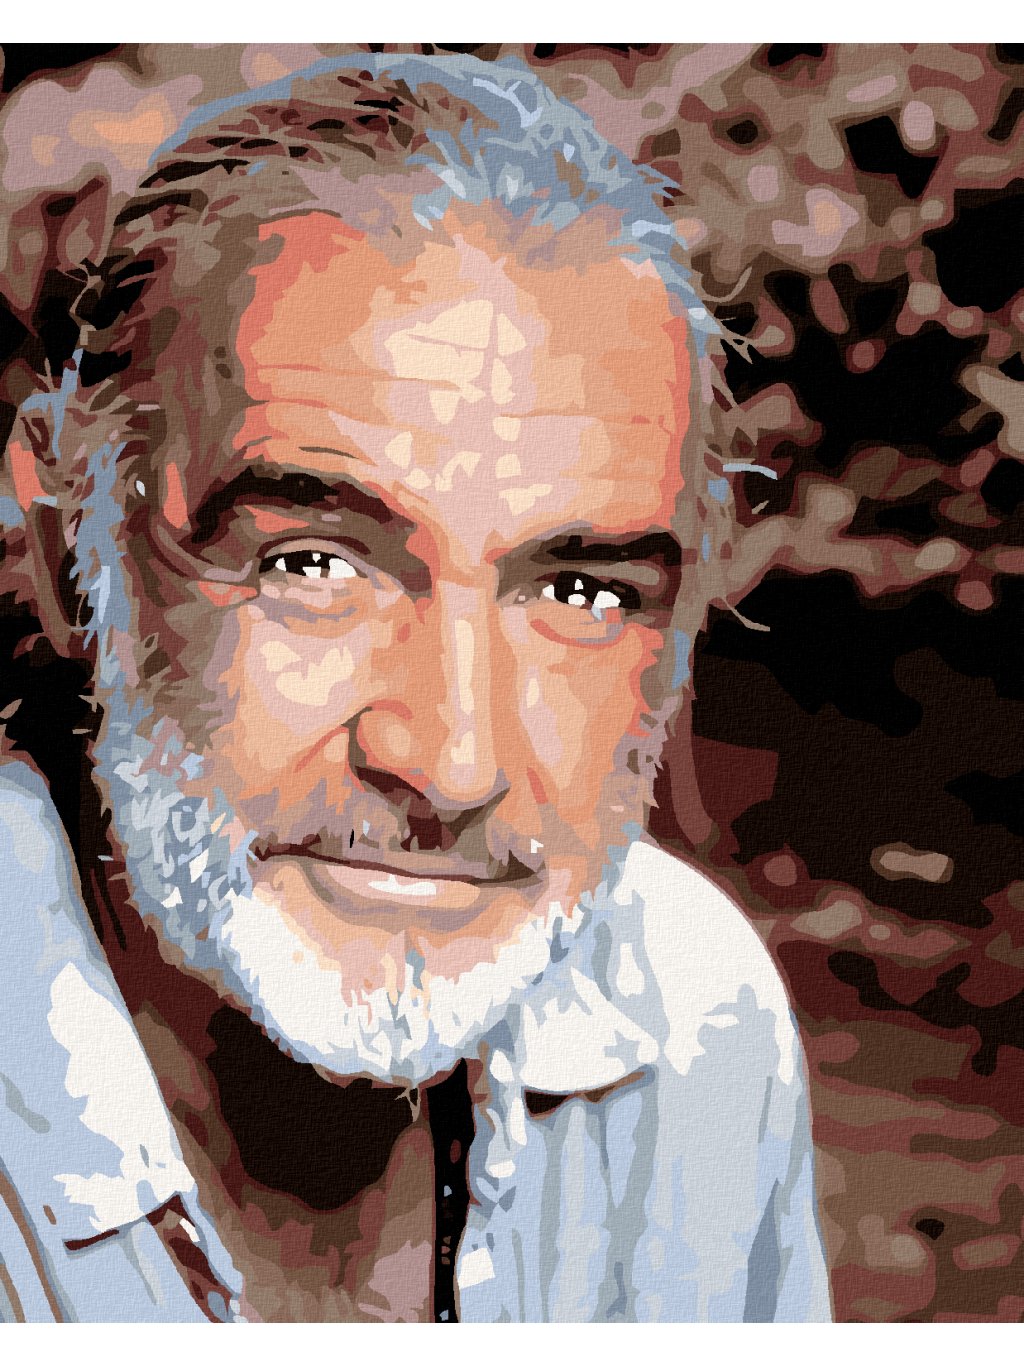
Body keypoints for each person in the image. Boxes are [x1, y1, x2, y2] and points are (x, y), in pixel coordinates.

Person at [0, 51, 831, 1322]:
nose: (450, 762)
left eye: (579, 592)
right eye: (311, 565)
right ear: (71, 550)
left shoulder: (689, 1025)